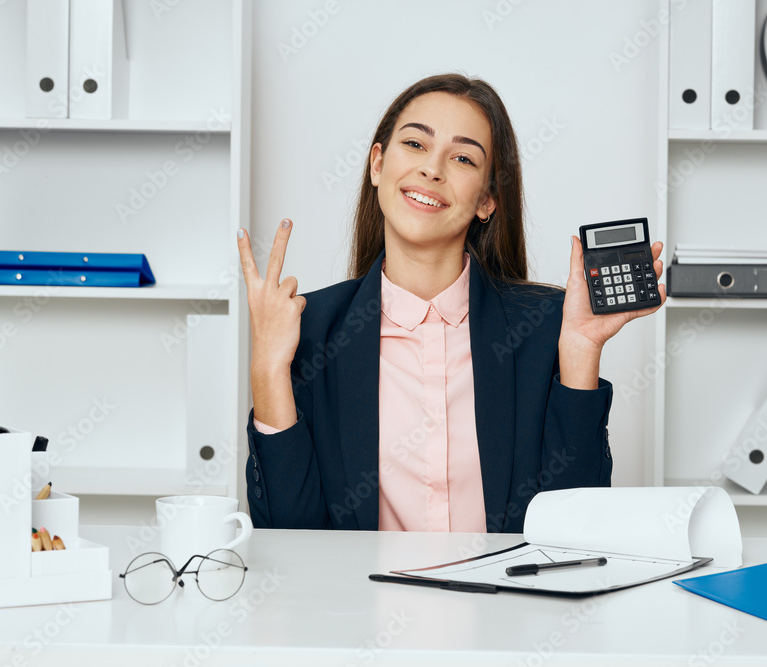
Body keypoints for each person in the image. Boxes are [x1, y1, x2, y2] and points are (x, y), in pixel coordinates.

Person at [237, 73, 665, 533]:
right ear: (377, 164)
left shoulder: (547, 328)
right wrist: (266, 368)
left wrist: (580, 350)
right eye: (416, 145)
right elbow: (291, 538)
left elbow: (575, 532)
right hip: (361, 604)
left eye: (462, 157)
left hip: (506, 604)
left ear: (487, 200)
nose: (432, 169)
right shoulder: (309, 329)